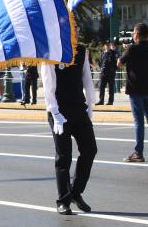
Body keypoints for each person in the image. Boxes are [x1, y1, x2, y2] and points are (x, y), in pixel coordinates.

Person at [42, 44, 98, 215]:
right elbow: (48, 83)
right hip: (59, 110)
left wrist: (90, 104)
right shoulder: (50, 50)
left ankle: (76, 192)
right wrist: (54, 111)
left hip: (78, 108)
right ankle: (63, 200)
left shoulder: (81, 51)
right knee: (64, 156)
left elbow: (87, 79)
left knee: (90, 150)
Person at [117, 23, 148, 163]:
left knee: (139, 121)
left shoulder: (131, 49)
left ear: (136, 34)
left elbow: (119, 63)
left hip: (135, 90)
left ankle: (138, 152)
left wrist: (126, 50)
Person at [96, 41, 117, 105]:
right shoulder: (103, 53)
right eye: (106, 45)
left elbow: (116, 61)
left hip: (110, 73)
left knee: (111, 87)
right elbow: (101, 62)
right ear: (104, 46)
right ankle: (101, 100)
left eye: (108, 45)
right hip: (103, 73)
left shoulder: (112, 53)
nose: (107, 46)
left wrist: (113, 70)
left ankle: (110, 101)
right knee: (101, 86)